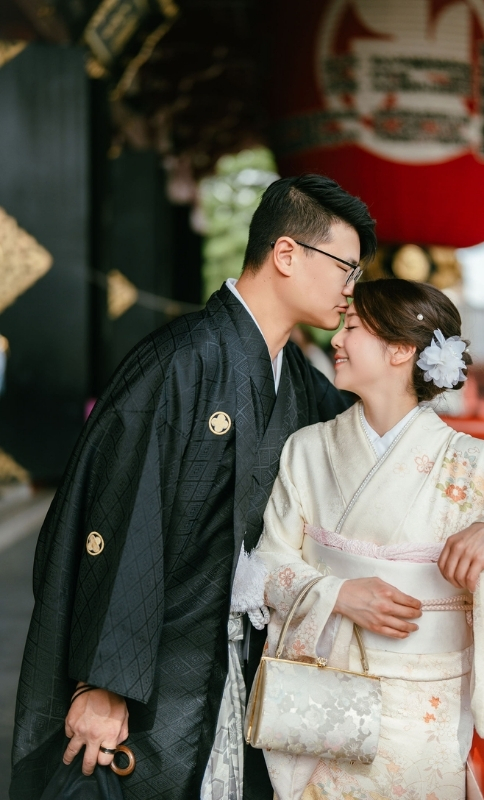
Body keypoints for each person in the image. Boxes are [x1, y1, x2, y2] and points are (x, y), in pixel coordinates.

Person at [10, 174, 375, 800]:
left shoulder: (303, 383)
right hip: (158, 666)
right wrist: (104, 681)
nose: (350, 289)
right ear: (286, 254)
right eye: (346, 268)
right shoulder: (179, 362)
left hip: (246, 658)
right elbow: (121, 521)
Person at [248, 278, 484, 798]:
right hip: (324, 690)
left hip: (424, 700)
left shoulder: (474, 465)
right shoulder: (307, 449)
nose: (336, 339)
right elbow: (267, 564)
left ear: (401, 350)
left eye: (353, 327)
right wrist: (340, 594)